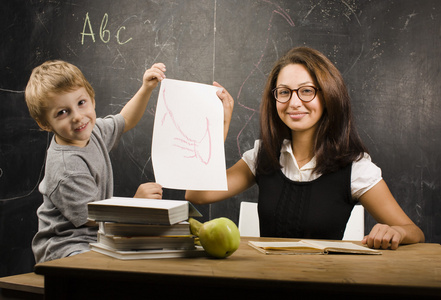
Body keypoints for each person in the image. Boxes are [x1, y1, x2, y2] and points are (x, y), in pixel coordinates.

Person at [186, 47, 425, 250]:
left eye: (307, 90)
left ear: (328, 95)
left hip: (325, 285)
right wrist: (220, 124)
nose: (294, 102)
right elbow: (196, 194)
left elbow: (413, 231)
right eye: (284, 92)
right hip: (266, 283)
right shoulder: (262, 156)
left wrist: (396, 233)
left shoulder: (356, 168)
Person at [25, 60, 165, 263]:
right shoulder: (67, 168)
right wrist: (136, 204)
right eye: (62, 112)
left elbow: (125, 119)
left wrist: (146, 88)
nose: (78, 117)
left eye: (81, 103)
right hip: (67, 248)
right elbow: (95, 217)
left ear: (92, 99)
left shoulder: (93, 131)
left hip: (100, 238)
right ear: (45, 124)